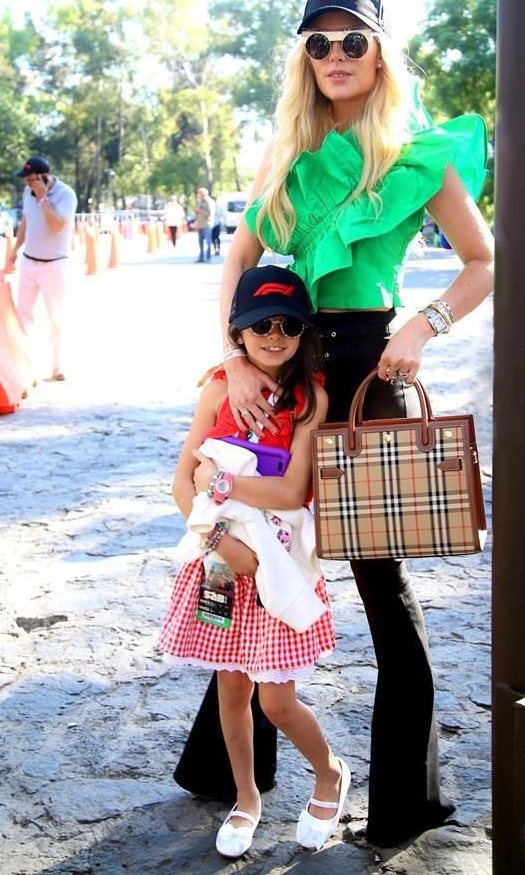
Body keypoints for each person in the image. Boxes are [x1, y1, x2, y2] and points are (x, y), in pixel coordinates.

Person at [174, 0, 494, 848]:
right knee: (243, 552)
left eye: (353, 39)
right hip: (284, 363)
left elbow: (481, 260)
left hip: (365, 378)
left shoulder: (419, 156)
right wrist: (239, 358)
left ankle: (406, 799)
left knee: (381, 585)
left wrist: (424, 329)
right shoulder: (291, 156)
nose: (337, 56)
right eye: (319, 43)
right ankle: (222, 768)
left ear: (379, 50)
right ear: (305, 60)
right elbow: (240, 257)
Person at [159, 264, 349, 857]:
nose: (274, 335)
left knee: (276, 699)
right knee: (232, 690)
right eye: (259, 324)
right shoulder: (216, 390)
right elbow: (180, 481)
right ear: (238, 331)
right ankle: (247, 798)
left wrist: (222, 488)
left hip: (279, 565)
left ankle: (329, 774)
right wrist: (218, 542)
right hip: (217, 564)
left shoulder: (311, 397)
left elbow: (293, 492)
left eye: (288, 325)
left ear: (304, 333)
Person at [7, 155, 77, 381]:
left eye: (32, 180)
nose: (28, 184)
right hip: (30, 262)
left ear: (44, 177)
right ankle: (24, 365)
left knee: (56, 317)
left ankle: (58, 366)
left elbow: (57, 226)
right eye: (26, 180)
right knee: (23, 315)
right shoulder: (29, 193)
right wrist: (16, 249)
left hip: (55, 264)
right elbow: (27, 220)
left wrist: (44, 199)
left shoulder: (66, 195)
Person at [194, 187, 215, 262]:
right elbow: (197, 213)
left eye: (199, 193)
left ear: (203, 194)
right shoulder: (200, 202)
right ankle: (201, 257)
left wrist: (200, 210)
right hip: (200, 224)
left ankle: (208, 257)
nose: (198, 194)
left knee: (208, 242)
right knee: (200, 242)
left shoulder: (209, 202)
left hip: (206, 224)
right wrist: (196, 222)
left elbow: (209, 214)